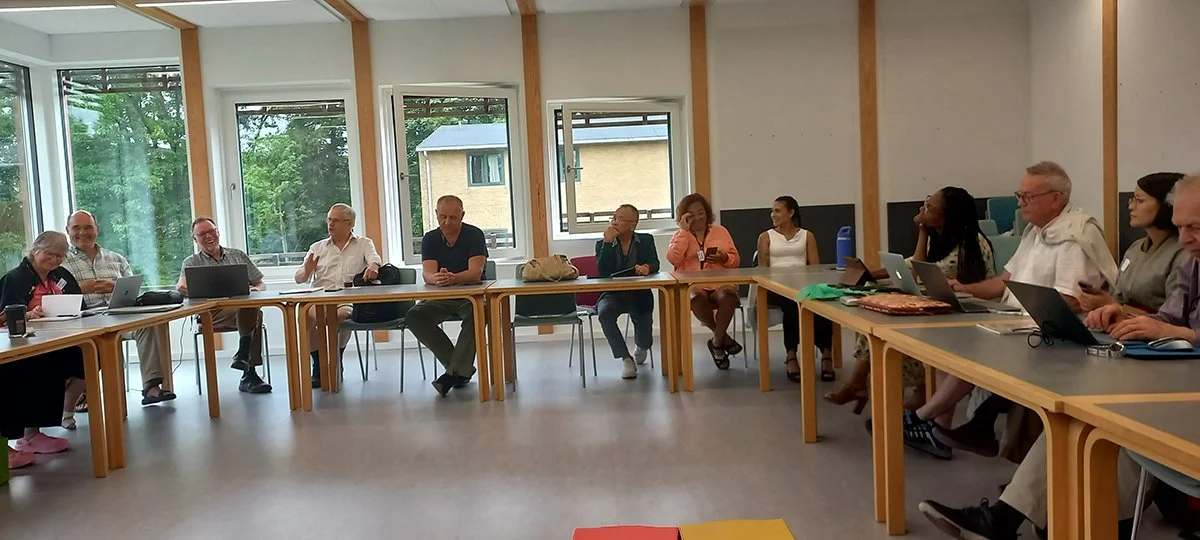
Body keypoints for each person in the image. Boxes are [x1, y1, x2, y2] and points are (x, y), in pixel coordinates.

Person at [918, 172, 1197, 540]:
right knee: (1081, 417)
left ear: (1055, 198)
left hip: (1181, 391)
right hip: (1170, 374)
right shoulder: (1189, 261)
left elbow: (1175, 327)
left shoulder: (1159, 250)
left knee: (1108, 420)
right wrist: (1122, 313)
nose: (1185, 238)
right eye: (1181, 226)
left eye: (1194, 227)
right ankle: (1024, 515)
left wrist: (1178, 332)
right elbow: (1168, 317)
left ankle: (1041, 515)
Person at [936, 172, 1187, 456]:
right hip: (1116, 332)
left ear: (1166, 205)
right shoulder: (1135, 249)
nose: (1130, 205)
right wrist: (1104, 303)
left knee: (1040, 362)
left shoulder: (1179, 255)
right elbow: (1117, 298)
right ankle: (980, 432)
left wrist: (1110, 306)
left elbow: (1170, 317)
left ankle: (951, 422)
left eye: (1139, 200)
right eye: (1131, 199)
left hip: (1147, 344)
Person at [906, 162, 1119, 460]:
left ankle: (923, 418)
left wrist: (1020, 319)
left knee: (980, 348)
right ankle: (940, 424)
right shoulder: (1035, 231)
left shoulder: (1075, 236)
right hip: (1021, 322)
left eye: (1027, 197)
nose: (1020, 204)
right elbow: (1005, 280)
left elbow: (1072, 301)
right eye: (1020, 195)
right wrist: (966, 288)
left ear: (1056, 198)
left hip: (1054, 335)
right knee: (956, 345)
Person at [826, 187, 995, 415]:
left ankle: (889, 398)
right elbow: (910, 264)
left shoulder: (970, 243)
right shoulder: (941, 237)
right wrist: (869, 273)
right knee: (877, 324)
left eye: (929, 208)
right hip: (941, 309)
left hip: (967, 316)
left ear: (947, 216)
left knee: (897, 338)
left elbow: (919, 272)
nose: (923, 209)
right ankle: (873, 390)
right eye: (926, 202)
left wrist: (922, 231)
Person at [62, 210, 176, 409]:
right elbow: (54, 295)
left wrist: (115, 287)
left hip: (119, 315)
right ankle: (82, 394)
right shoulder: (60, 261)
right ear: (67, 231)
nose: (82, 233)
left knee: (145, 326)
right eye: (76, 228)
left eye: (88, 227)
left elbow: (134, 290)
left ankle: (151, 387)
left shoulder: (116, 258)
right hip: (84, 321)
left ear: (97, 229)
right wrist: (81, 289)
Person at [1, 232, 85, 469]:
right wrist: (29, 314)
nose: (55, 260)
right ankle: (20, 437)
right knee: (26, 368)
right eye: (49, 254)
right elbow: (7, 316)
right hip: (22, 344)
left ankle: (37, 431)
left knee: (81, 357)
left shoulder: (61, 275)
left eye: (60, 256)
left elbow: (79, 302)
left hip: (55, 338)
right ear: (35, 250)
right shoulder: (15, 278)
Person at [177, 218, 271, 394]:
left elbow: (260, 283)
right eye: (202, 234)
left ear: (218, 232)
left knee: (251, 308)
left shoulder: (237, 255)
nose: (208, 236)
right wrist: (182, 288)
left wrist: (256, 289)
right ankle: (249, 373)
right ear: (195, 239)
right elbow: (181, 285)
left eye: (211, 231)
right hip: (210, 313)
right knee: (254, 315)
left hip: (241, 310)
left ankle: (244, 358)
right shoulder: (191, 262)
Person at [406, 196, 488, 397]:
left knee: (479, 312)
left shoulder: (474, 234)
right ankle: (459, 370)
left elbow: (475, 272)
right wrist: (437, 278)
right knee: (414, 315)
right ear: (436, 214)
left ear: (462, 216)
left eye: (453, 217)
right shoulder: (430, 238)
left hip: (471, 296)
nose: (447, 222)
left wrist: (454, 278)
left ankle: (453, 373)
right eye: (442, 217)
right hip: (441, 296)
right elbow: (427, 274)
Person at [294, 203, 382, 389]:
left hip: (346, 300)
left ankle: (336, 358)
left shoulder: (363, 243)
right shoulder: (317, 247)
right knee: (306, 316)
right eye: (329, 219)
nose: (330, 224)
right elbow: (299, 278)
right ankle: (318, 365)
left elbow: (375, 259)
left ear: (349, 224)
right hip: (319, 300)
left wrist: (373, 266)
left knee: (341, 316)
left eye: (335, 220)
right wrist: (307, 270)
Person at [754, 195, 835, 382]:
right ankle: (791, 354)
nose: (773, 215)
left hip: (804, 286)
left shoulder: (807, 236)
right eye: (772, 211)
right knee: (791, 304)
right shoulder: (766, 237)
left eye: (777, 211)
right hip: (777, 288)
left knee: (822, 304)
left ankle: (826, 353)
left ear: (790, 213)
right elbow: (762, 270)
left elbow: (815, 268)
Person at [667, 193, 742, 370]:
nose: (698, 217)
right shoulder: (680, 235)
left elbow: (735, 261)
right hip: (693, 285)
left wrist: (724, 258)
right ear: (684, 217)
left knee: (729, 296)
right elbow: (673, 259)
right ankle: (723, 339)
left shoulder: (721, 231)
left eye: (701, 213)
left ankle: (716, 342)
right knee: (695, 298)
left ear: (707, 212)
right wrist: (684, 232)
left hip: (720, 282)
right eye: (691, 214)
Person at [595, 204, 660, 380]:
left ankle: (642, 346)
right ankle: (625, 358)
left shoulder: (646, 240)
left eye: (621, 219)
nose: (615, 222)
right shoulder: (602, 243)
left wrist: (647, 267)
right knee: (604, 313)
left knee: (645, 335)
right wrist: (608, 243)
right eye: (614, 218)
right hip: (613, 294)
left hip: (639, 294)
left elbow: (655, 263)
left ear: (633, 225)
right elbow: (603, 271)